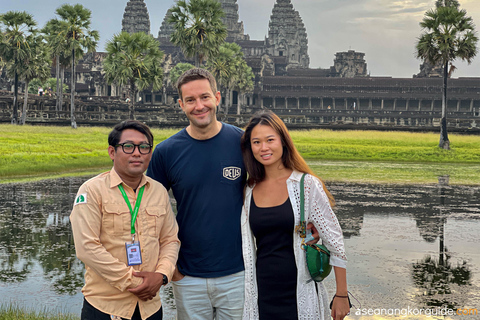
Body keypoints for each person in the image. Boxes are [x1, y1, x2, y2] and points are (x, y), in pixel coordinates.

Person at [146, 68, 246, 319]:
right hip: (187, 273)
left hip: (238, 273)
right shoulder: (166, 151)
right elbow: (149, 211)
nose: (199, 106)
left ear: (217, 97)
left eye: (205, 97)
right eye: (190, 100)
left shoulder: (243, 143)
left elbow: (272, 190)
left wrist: (303, 223)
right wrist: (168, 268)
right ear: (181, 104)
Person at [240, 110, 350, 320]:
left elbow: (334, 240)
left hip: (299, 290)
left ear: (283, 141)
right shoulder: (249, 190)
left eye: (270, 140)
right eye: (256, 142)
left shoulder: (306, 185)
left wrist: (342, 294)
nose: (263, 148)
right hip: (261, 292)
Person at [70, 120, 180, 320]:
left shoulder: (159, 192)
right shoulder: (92, 190)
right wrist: (134, 282)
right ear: (112, 152)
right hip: (106, 308)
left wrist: (162, 275)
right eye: (128, 147)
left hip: (150, 308)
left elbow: (170, 240)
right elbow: (87, 247)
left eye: (144, 147)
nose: (137, 153)